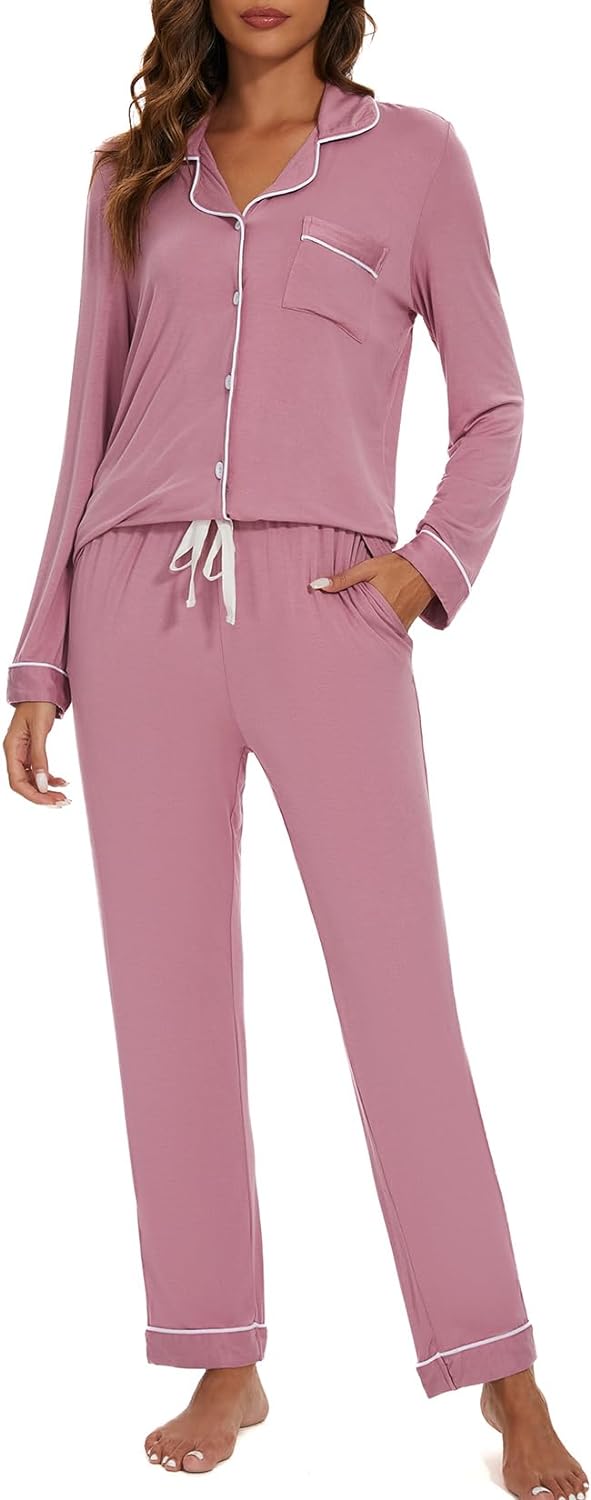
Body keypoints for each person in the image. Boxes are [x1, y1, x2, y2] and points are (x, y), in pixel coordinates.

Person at [3, 1, 587, 1494]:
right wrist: (41, 653)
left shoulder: (418, 157)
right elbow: (84, 421)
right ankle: (222, 1354)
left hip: (331, 606)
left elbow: (497, 403)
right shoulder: (133, 171)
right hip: (135, 600)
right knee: (168, 1003)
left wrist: (423, 570)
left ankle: (503, 1372)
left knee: (401, 998)